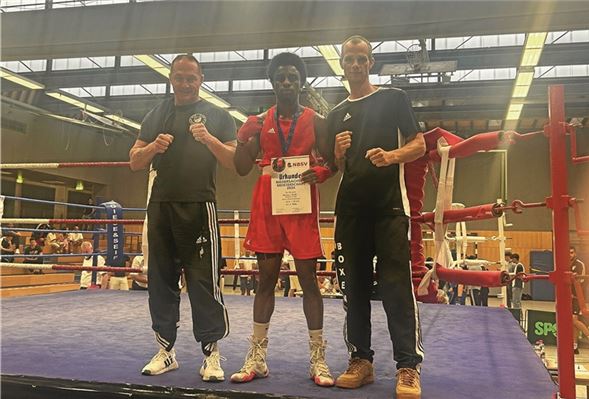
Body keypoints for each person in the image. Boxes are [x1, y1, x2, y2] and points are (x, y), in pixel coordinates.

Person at [324, 35, 425, 398]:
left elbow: (420, 144)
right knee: (355, 288)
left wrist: (393, 156)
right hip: (350, 210)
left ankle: (408, 366)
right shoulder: (335, 115)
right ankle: (360, 360)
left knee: (397, 286)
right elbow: (335, 167)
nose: (355, 64)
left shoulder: (393, 98)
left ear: (371, 62)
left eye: (361, 58)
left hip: (389, 208)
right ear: (342, 64)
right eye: (349, 58)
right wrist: (336, 152)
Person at [129, 54, 236, 381]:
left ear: (201, 78)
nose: (185, 84)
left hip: (199, 205)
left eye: (191, 78)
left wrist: (209, 139)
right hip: (160, 205)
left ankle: (212, 354)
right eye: (179, 77)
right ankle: (165, 351)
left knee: (204, 281)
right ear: (171, 78)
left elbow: (233, 159)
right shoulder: (157, 113)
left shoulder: (218, 116)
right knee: (160, 280)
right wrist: (152, 149)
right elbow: (134, 160)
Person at [230, 52, 334, 387]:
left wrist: (321, 170)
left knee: (308, 281)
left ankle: (318, 358)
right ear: (273, 82)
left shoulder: (317, 121)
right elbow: (242, 166)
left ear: (301, 82)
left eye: (292, 77)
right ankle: (256, 357)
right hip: (268, 205)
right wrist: (242, 138)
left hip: (302, 206)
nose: (287, 82)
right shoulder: (260, 122)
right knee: (265, 281)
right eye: (281, 78)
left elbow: (333, 162)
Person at [570, 246, 589, 354]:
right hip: (568, 297)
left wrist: (574, 293)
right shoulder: (566, 264)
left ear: (575, 253)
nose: (570, 254)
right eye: (568, 253)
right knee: (573, 322)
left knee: (573, 320)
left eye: (571, 252)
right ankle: (574, 346)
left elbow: (581, 280)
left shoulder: (579, 264)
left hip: (577, 297)